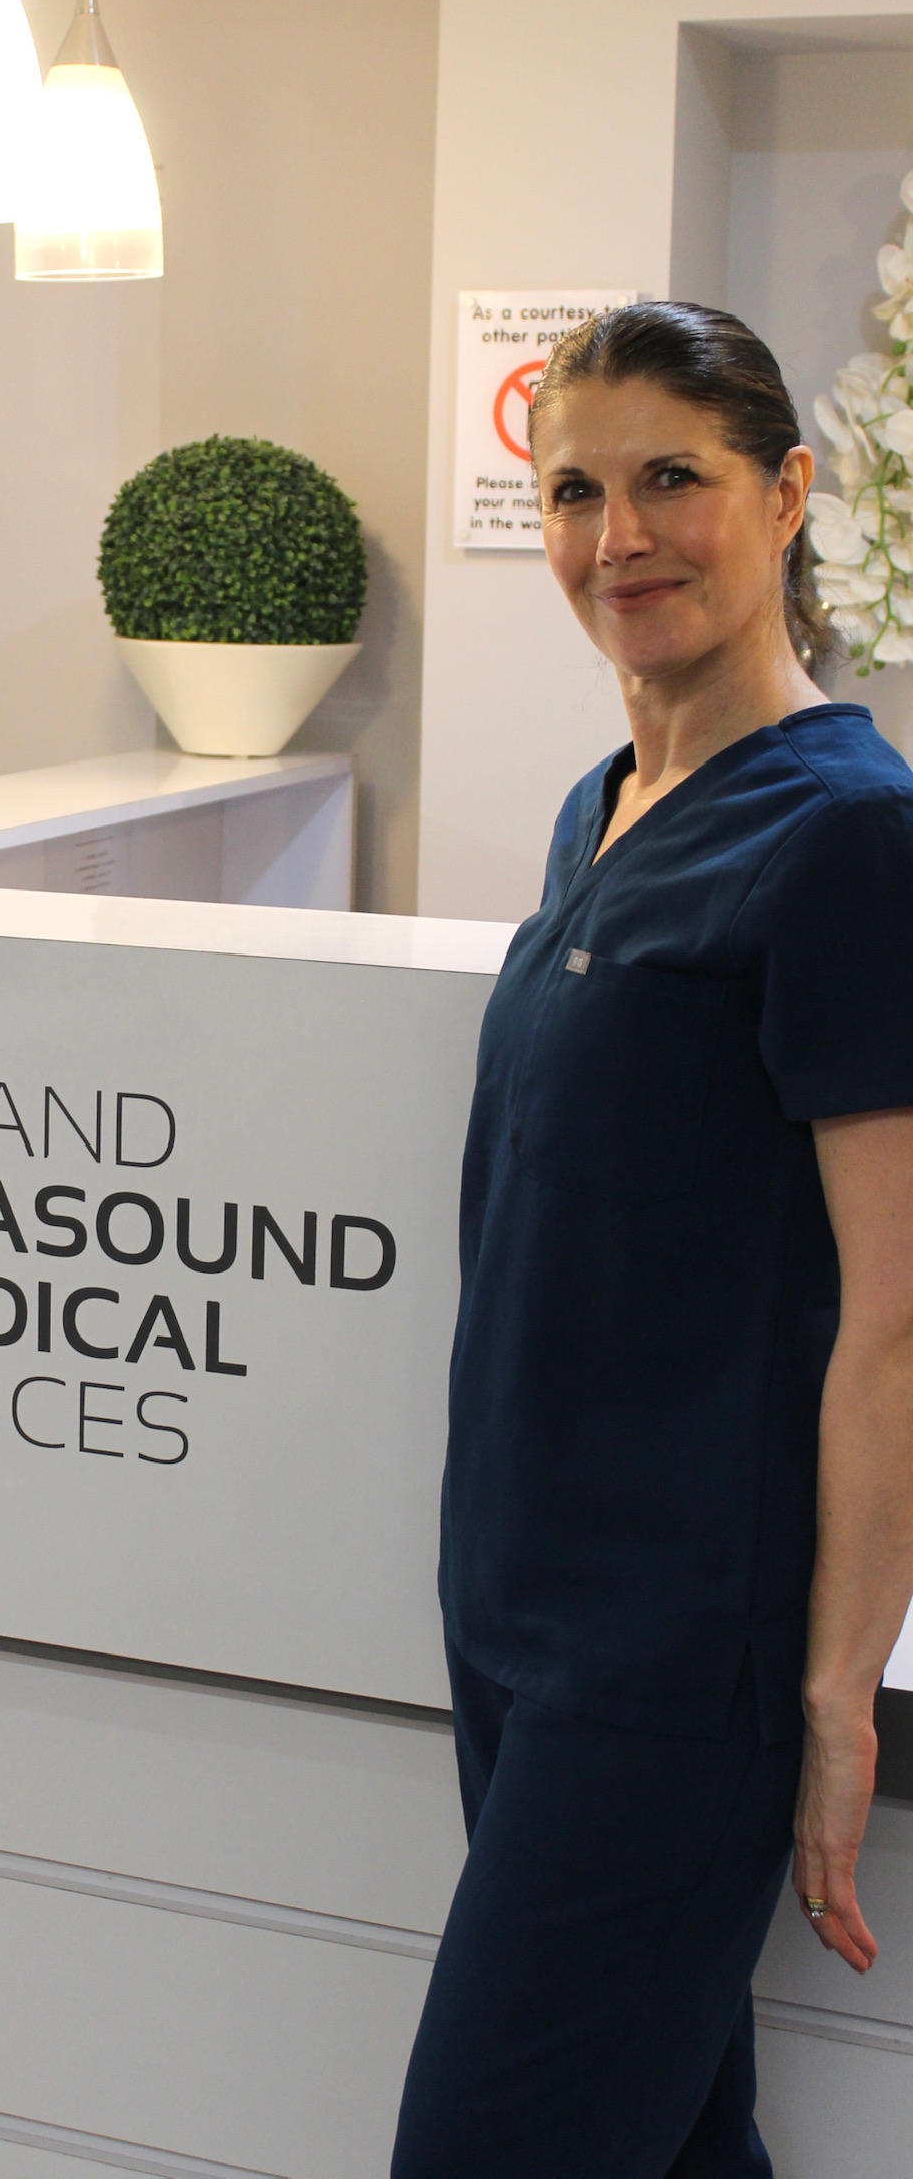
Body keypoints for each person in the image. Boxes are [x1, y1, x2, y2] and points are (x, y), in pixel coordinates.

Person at [391, 302, 913, 2178]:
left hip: (674, 1662)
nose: (619, 537)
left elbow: (896, 1322)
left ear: (786, 495)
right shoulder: (601, 810)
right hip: (513, 1611)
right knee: (676, 2144)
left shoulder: (850, 838)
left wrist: (835, 1698)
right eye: (574, 491)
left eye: (672, 479)